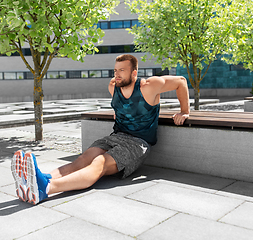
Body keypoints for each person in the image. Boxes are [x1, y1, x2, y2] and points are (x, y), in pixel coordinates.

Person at [11, 54, 190, 205]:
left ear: (134, 73)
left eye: (122, 70)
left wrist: (185, 111)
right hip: (115, 136)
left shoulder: (149, 86)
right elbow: (122, 107)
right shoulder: (113, 86)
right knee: (82, 159)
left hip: (137, 143)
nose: (117, 74)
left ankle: (46, 189)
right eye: (115, 70)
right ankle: (40, 178)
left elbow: (181, 81)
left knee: (99, 163)